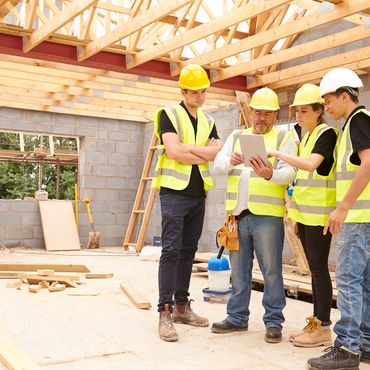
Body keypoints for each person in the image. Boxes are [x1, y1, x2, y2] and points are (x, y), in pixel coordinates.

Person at [211, 87, 297, 343]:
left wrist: (271, 174)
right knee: (238, 271)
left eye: (267, 114)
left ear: (275, 115)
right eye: (257, 112)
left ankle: (273, 322)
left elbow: (291, 173)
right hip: (237, 215)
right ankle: (237, 318)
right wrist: (231, 161)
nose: (261, 118)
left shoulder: (284, 138)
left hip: (267, 216)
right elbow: (217, 165)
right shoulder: (237, 135)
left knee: (271, 271)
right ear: (251, 112)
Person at [152, 64, 222, 342]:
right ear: (183, 91)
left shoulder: (208, 120)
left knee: (188, 251)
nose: (201, 96)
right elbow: (173, 151)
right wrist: (202, 152)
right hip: (173, 191)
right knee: (170, 250)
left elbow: (214, 154)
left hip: (198, 193)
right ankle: (164, 312)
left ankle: (182, 306)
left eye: (204, 91)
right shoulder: (168, 114)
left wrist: (190, 150)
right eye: (195, 92)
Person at [307, 68, 370, 369]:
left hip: (359, 217)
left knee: (348, 279)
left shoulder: (358, 121)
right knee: (364, 282)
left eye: (329, 100)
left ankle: (346, 348)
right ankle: (366, 344)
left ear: (345, 96)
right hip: (364, 217)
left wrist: (343, 207)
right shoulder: (354, 124)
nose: (327, 107)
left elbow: (368, 165)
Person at [268, 83, 338, 347]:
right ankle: (316, 323)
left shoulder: (327, 134)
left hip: (320, 216)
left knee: (319, 271)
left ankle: (323, 327)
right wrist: (295, 217)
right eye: (297, 111)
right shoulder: (305, 136)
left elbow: (310, 166)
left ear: (319, 111)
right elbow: (300, 182)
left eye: (304, 110)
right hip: (306, 216)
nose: (299, 115)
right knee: (314, 271)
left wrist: (277, 153)